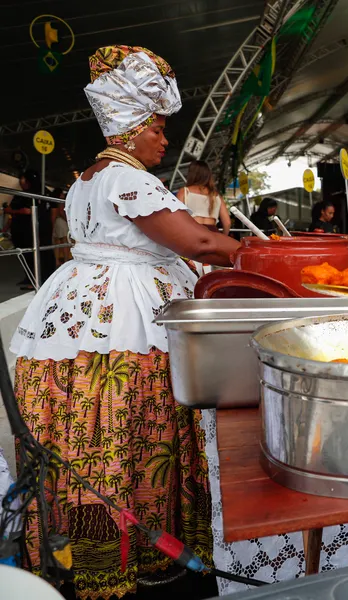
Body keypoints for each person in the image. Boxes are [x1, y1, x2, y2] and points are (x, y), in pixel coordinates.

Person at [9, 46, 241, 599]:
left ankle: (84, 552)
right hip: (127, 316)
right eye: (157, 127)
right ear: (132, 127)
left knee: (88, 430)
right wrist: (249, 254)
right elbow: (197, 241)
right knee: (138, 424)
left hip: (78, 307)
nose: (164, 139)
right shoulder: (127, 178)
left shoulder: (86, 178)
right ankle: (147, 552)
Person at [5, 170, 55, 288]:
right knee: (41, 253)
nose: (21, 182)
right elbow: (53, 211)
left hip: (28, 230)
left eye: (22, 179)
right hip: (41, 228)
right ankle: (35, 278)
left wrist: (10, 211)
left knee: (32, 254)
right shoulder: (45, 193)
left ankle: (35, 280)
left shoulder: (27, 195)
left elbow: (27, 211)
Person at [177, 160, 231, 234]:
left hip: (193, 232)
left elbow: (177, 218)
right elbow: (227, 223)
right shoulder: (216, 195)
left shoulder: (184, 191)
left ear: (191, 174)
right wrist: (223, 237)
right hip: (212, 233)